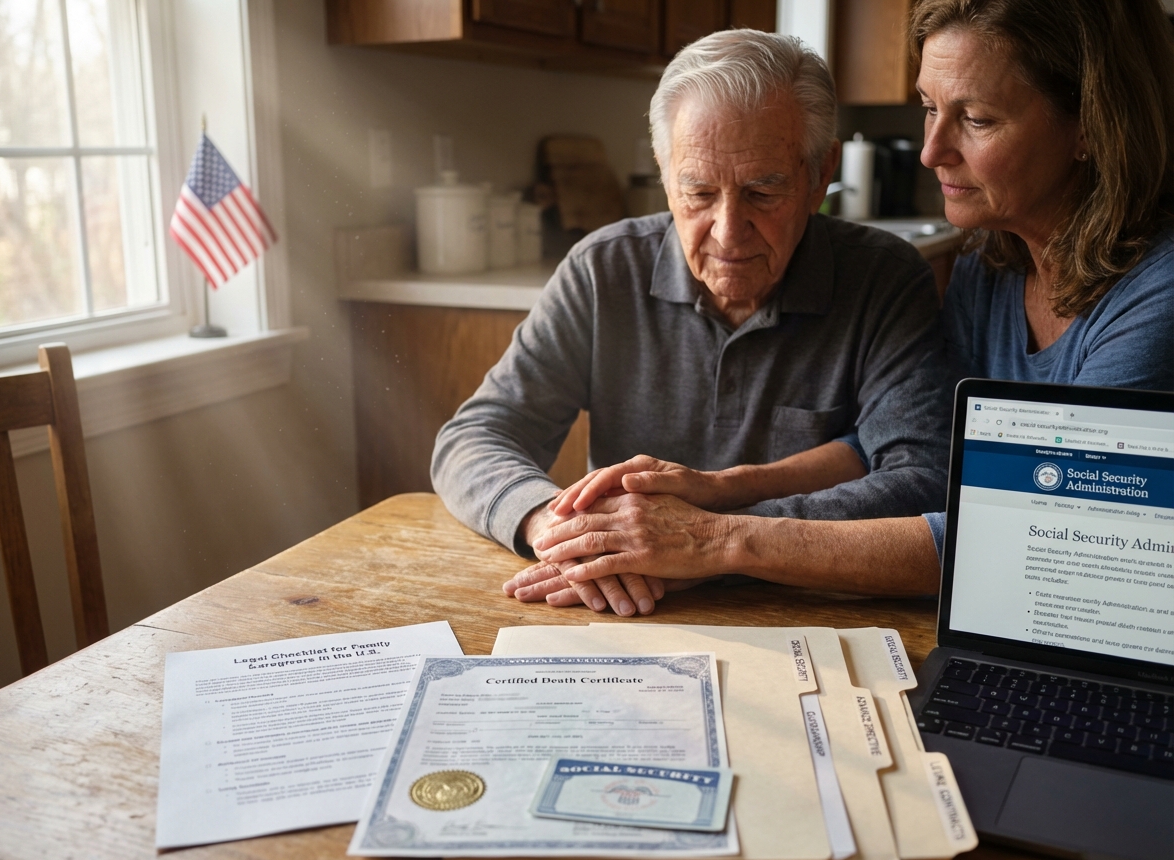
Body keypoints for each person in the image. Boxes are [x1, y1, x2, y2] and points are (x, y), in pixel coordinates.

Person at [511, 0, 1174, 610]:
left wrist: (713, 541)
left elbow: (1054, 543)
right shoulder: (989, 264)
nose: (930, 151)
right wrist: (722, 490)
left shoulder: (1156, 296)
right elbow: (923, 449)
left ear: (1090, 125)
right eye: (929, 107)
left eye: (975, 119)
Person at [432, 30, 954, 617]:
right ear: (664, 171)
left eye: (763, 191)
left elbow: (923, 483)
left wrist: (703, 544)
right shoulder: (604, 269)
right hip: (627, 610)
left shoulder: (885, 277)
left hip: (816, 616)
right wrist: (552, 527)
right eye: (700, 192)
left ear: (818, 174)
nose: (728, 232)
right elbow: (473, 440)